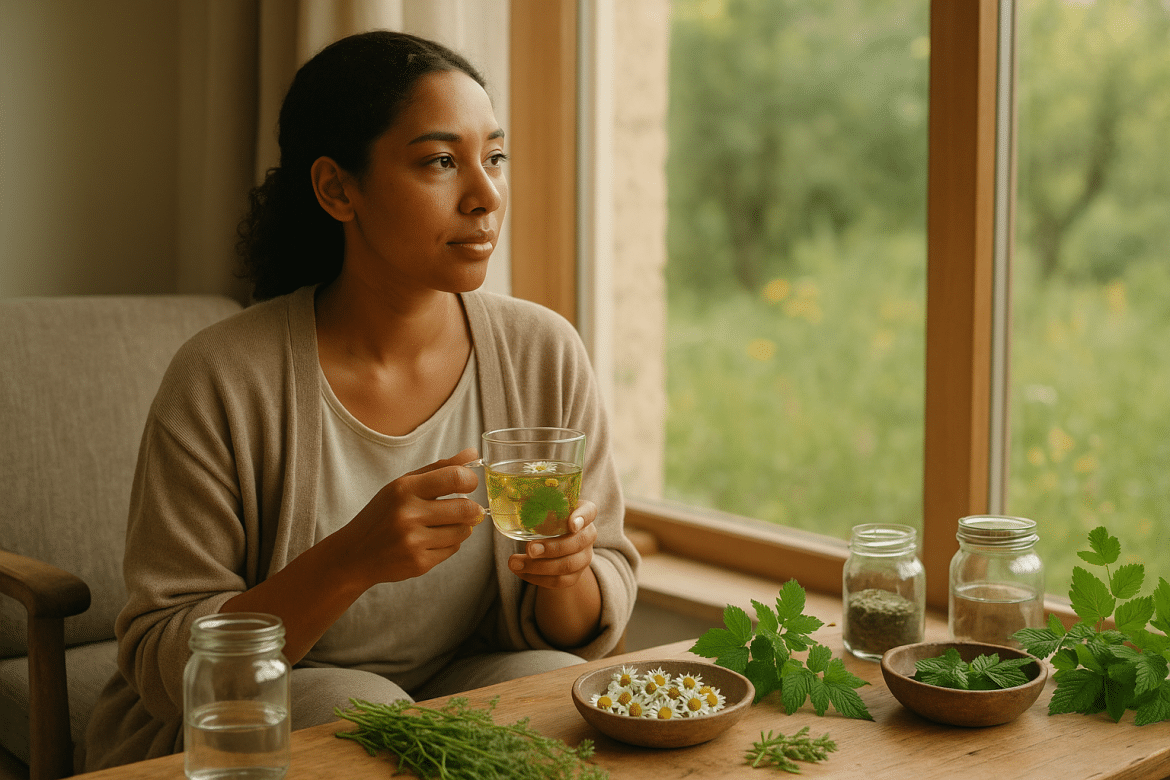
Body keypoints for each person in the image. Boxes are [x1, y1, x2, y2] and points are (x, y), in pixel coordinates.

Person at [83, 30, 638, 770]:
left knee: (554, 693)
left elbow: (577, 628)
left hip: (460, 673)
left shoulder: (543, 350)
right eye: (441, 161)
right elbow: (164, 661)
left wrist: (566, 570)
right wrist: (348, 561)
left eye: (494, 156)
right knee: (359, 715)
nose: (486, 194)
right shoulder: (222, 375)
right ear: (337, 189)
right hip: (260, 704)